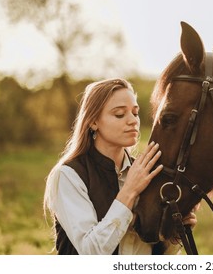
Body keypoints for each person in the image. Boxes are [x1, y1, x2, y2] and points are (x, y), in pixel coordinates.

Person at [44, 78, 197, 255]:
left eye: (135, 113)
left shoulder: (147, 174)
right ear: (93, 122)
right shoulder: (69, 175)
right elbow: (90, 252)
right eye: (119, 114)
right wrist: (129, 191)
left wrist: (173, 234)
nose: (133, 121)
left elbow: (159, 255)